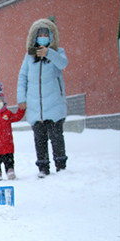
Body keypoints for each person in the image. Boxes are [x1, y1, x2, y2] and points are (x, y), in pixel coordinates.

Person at [17, 18, 68, 178]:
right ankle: (43, 167)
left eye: (47, 34)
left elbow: (63, 64)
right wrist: (21, 98)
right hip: (35, 106)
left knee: (56, 137)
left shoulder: (58, 52)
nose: (43, 37)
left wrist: (49, 53)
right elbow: (22, 77)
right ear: (34, 37)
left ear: (52, 36)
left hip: (54, 104)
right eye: (40, 34)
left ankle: (61, 165)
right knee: (39, 139)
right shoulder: (29, 56)